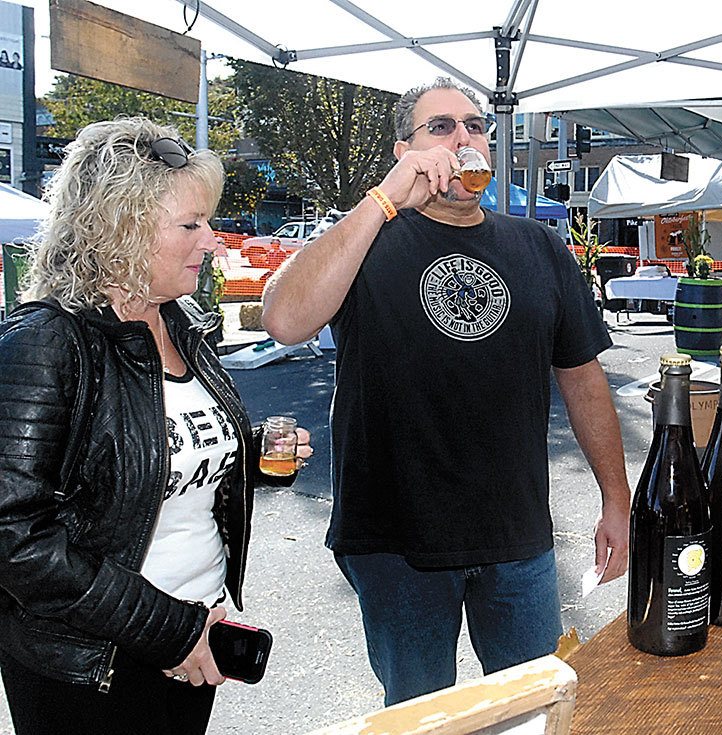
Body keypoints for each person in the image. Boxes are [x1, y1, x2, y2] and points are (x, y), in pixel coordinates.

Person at [260, 77, 630, 705]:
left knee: (534, 707)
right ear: (404, 150)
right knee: (419, 714)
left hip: (517, 537)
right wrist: (383, 202)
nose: (463, 139)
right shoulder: (367, 240)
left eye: (475, 125)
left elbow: (583, 377)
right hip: (397, 541)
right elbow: (284, 319)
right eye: (440, 128)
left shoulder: (537, 245)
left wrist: (616, 500)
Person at [0, 118, 312, 735]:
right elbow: (14, 536)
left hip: (198, 635)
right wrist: (168, 630)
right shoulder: (44, 343)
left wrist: (245, 457)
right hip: (92, 664)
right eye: (190, 225)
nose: (214, 242)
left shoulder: (182, 323)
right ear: (118, 229)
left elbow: (145, 461)